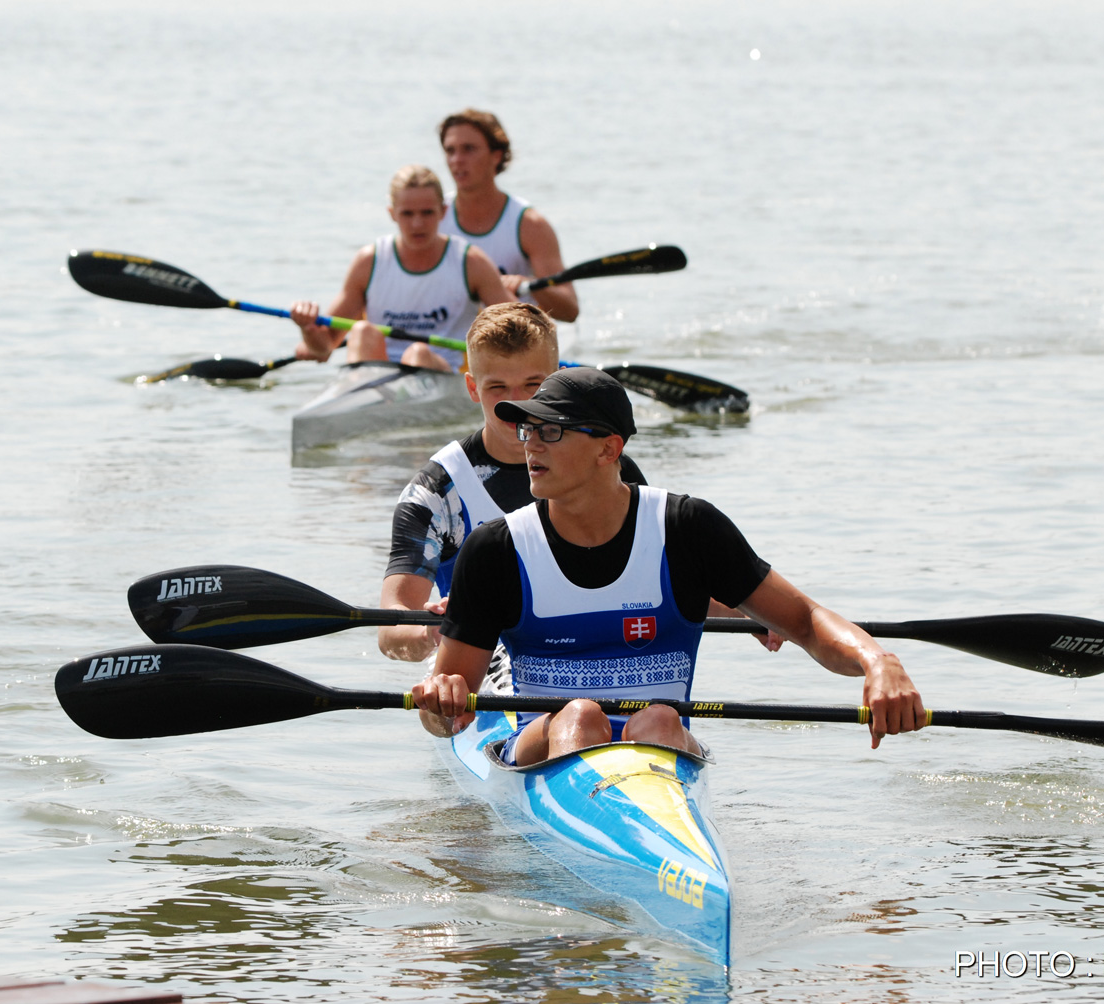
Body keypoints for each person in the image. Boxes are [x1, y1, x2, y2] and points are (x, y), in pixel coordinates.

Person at [411, 368, 925, 765]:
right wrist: (442, 703)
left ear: (608, 449)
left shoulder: (687, 528)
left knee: (658, 718)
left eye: (551, 431)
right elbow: (448, 719)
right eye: (527, 430)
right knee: (582, 715)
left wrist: (878, 663)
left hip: (658, 738)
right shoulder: (497, 548)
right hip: (544, 743)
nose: (530, 445)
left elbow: (805, 621)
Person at [377, 303, 646, 664]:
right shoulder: (436, 493)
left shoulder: (608, 465)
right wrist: (428, 631)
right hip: (487, 668)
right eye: (498, 387)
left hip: (596, 653)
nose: (517, 402)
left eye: (533, 385)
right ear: (473, 387)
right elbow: (391, 631)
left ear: (557, 377)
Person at [289, 165, 513, 372]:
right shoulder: (369, 262)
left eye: (427, 213)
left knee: (418, 353)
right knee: (362, 331)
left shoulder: (470, 262)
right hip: (377, 372)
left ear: (443, 212)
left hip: (443, 373)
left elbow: (520, 332)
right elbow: (324, 347)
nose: (417, 224)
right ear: (392, 213)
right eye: (407, 213)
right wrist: (309, 329)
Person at [438, 110, 579, 323]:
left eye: (469, 149)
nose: (457, 160)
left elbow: (569, 310)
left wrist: (528, 284)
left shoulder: (529, 225)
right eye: (450, 151)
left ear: (496, 155)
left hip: (513, 338)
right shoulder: (431, 217)